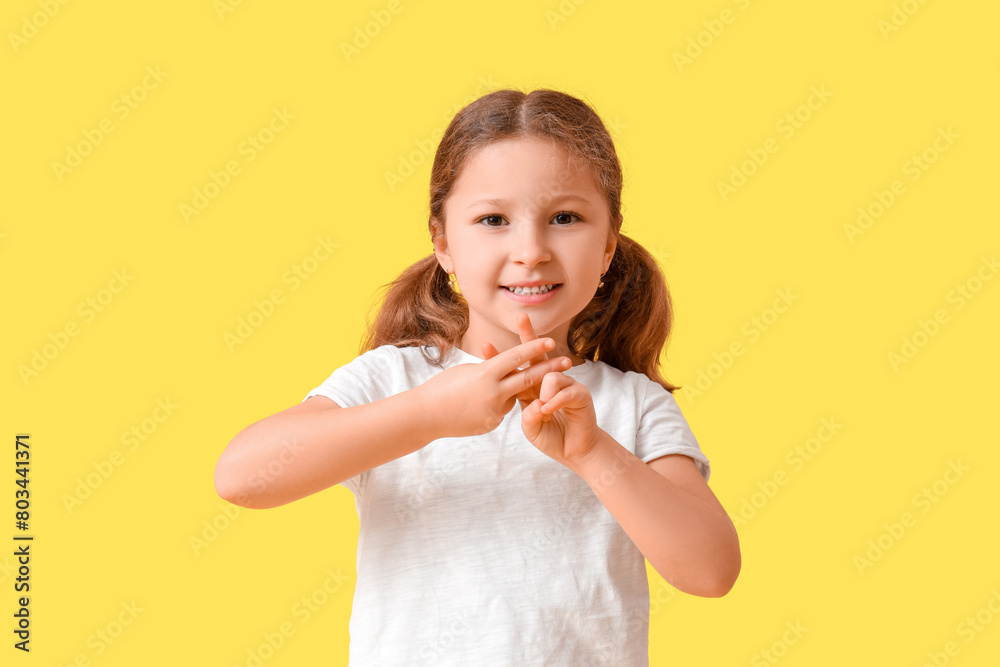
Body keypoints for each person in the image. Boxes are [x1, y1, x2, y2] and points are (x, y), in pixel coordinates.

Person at [215, 88, 740, 666]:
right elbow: (243, 476)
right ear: (443, 242)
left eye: (565, 218)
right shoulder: (396, 379)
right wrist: (430, 414)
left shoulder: (630, 404)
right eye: (493, 220)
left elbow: (711, 571)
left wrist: (593, 453)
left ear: (609, 243)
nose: (531, 251)